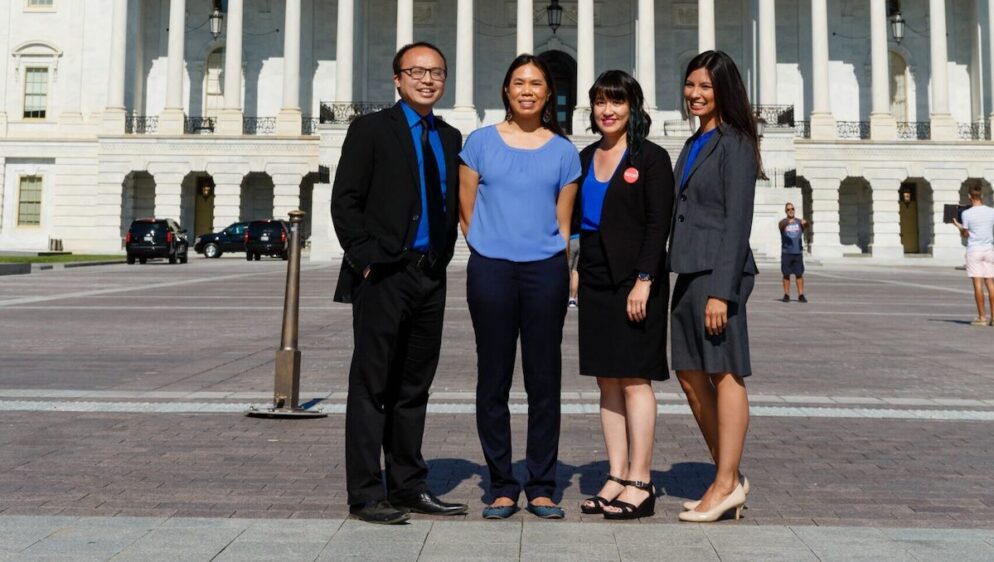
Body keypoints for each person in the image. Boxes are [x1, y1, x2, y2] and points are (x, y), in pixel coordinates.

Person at [331, 42, 468, 524]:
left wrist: (444, 253)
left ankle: (408, 484)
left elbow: (449, 202)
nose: (427, 80)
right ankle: (367, 493)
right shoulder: (371, 129)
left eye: (436, 73)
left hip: (429, 274)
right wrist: (367, 259)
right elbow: (345, 201)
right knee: (372, 384)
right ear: (397, 78)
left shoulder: (449, 137)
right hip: (384, 273)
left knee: (415, 385)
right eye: (417, 71)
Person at [459, 54, 581, 520]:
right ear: (506, 90)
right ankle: (502, 484)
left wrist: (555, 261)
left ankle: (543, 484)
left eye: (536, 83)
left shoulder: (564, 151)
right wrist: (489, 248)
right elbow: (466, 210)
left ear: (549, 93)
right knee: (492, 378)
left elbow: (564, 221)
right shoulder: (480, 143)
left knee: (544, 380)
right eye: (518, 82)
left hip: (544, 271)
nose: (527, 90)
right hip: (491, 268)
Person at [574, 70, 674, 520]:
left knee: (635, 378)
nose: (607, 110)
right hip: (594, 273)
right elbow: (577, 221)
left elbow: (658, 224)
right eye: (599, 102)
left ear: (632, 106)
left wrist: (645, 279)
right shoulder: (584, 156)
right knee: (606, 379)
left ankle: (641, 479)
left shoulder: (650, 158)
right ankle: (615, 475)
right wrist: (574, 269)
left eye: (615, 101)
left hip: (635, 278)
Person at [668, 50, 759, 523]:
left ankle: (724, 483)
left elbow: (737, 219)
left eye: (705, 86)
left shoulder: (736, 142)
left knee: (724, 373)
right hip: (687, 269)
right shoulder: (694, 142)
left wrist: (723, 290)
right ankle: (730, 475)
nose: (695, 94)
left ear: (724, 90)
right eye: (690, 85)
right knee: (687, 372)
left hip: (718, 274)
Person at [952, 184, 994, 326]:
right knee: (990, 283)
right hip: (989, 249)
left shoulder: (966, 214)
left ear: (970, 196)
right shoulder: (991, 212)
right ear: (981, 196)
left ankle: (982, 317)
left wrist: (959, 227)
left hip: (974, 250)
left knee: (978, 284)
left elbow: (965, 234)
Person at [779, 202, 808, 303]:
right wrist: (788, 222)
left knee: (799, 274)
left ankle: (801, 294)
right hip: (786, 252)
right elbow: (781, 225)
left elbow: (807, 225)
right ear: (786, 211)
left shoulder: (799, 222)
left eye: (792, 209)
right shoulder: (783, 222)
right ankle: (786, 294)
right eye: (788, 209)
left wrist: (806, 223)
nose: (791, 211)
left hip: (797, 252)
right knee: (786, 274)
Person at [568, 233, 580, 308]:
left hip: (571, 240)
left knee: (567, 270)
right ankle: (572, 299)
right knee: (575, 271)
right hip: (580, 240)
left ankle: (566, 296)